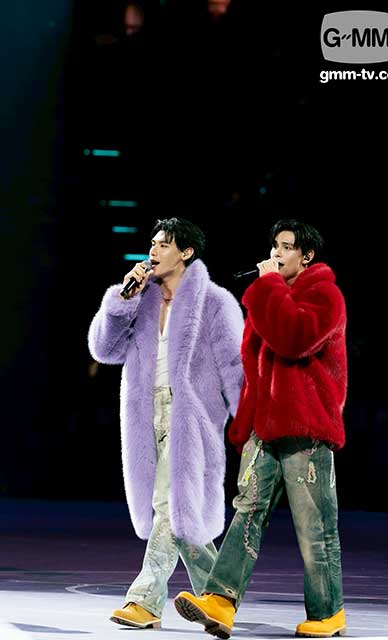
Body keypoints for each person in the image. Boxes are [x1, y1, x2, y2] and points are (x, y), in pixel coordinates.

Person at [174, 218, 348, 638]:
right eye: (274, 246)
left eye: (286, 247)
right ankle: (220, 601)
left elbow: (295, 339)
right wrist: (245, 424)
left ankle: (328, 613)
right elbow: (253, 370)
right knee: (246, 514)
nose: (276, 253)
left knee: (314, 527)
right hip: (266, 430)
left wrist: (268, 287)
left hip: (307, 429)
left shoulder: (325, 294)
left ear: (307, 256)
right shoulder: (271, 298)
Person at [88, 217, 244, 628]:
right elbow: (103, 350)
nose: (153, 251)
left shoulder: (215, 302)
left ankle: (144, 601)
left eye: (163, 244)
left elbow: (235, 368)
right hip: (145, 416)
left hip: (190, 418)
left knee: (168, 504)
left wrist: (247, 424)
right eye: (152, 243)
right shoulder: (140, 300)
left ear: (186, 253)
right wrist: (122, 300)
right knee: (181, 512)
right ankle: (219, 595)